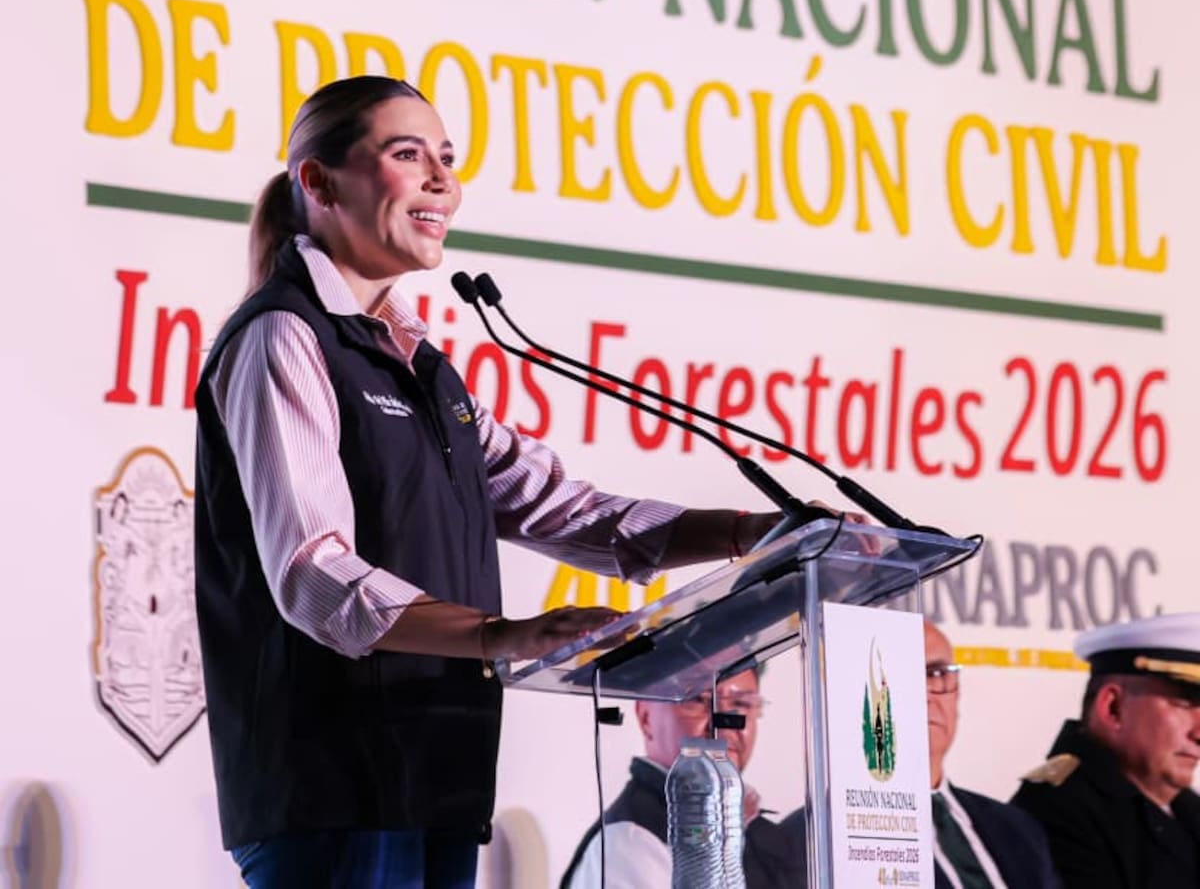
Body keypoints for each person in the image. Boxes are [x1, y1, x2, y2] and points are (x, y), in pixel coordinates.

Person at [193, 76, 791, 889]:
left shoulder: (426, 370)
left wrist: (749, 534)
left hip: (437, 770)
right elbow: (312, 574)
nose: (444, 180)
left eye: (448, 158)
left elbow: (567, 510)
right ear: (318, 181)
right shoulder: (282, 338)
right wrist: (497, 635)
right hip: (334, 787)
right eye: (409, 155)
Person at [559, 665, 807, 889]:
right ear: (646, 718)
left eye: (740, 705)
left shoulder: (759, 833)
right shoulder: (629, 843)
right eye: (698, 700)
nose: (722, 724)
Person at [1011, 613, 1200, 889]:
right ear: (1112, 707)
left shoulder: (1186, 808)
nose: (1198, 733)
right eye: (1183, 704)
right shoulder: (1054, 812)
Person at [921, 620, 1060, 889]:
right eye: (900, 674)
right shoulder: (833, 833)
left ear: (957, 693)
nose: (924, 693)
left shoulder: (1018, 829)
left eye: (936, 674)